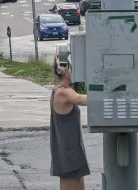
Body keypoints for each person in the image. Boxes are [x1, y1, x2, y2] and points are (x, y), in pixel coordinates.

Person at [50, 56, 90, 189]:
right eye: (72, 67)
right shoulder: (62, 92)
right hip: (68, 153)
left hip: (73, 151)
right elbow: (80, 99)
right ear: (63, 70)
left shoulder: (63, 90)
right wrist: (106, 94)